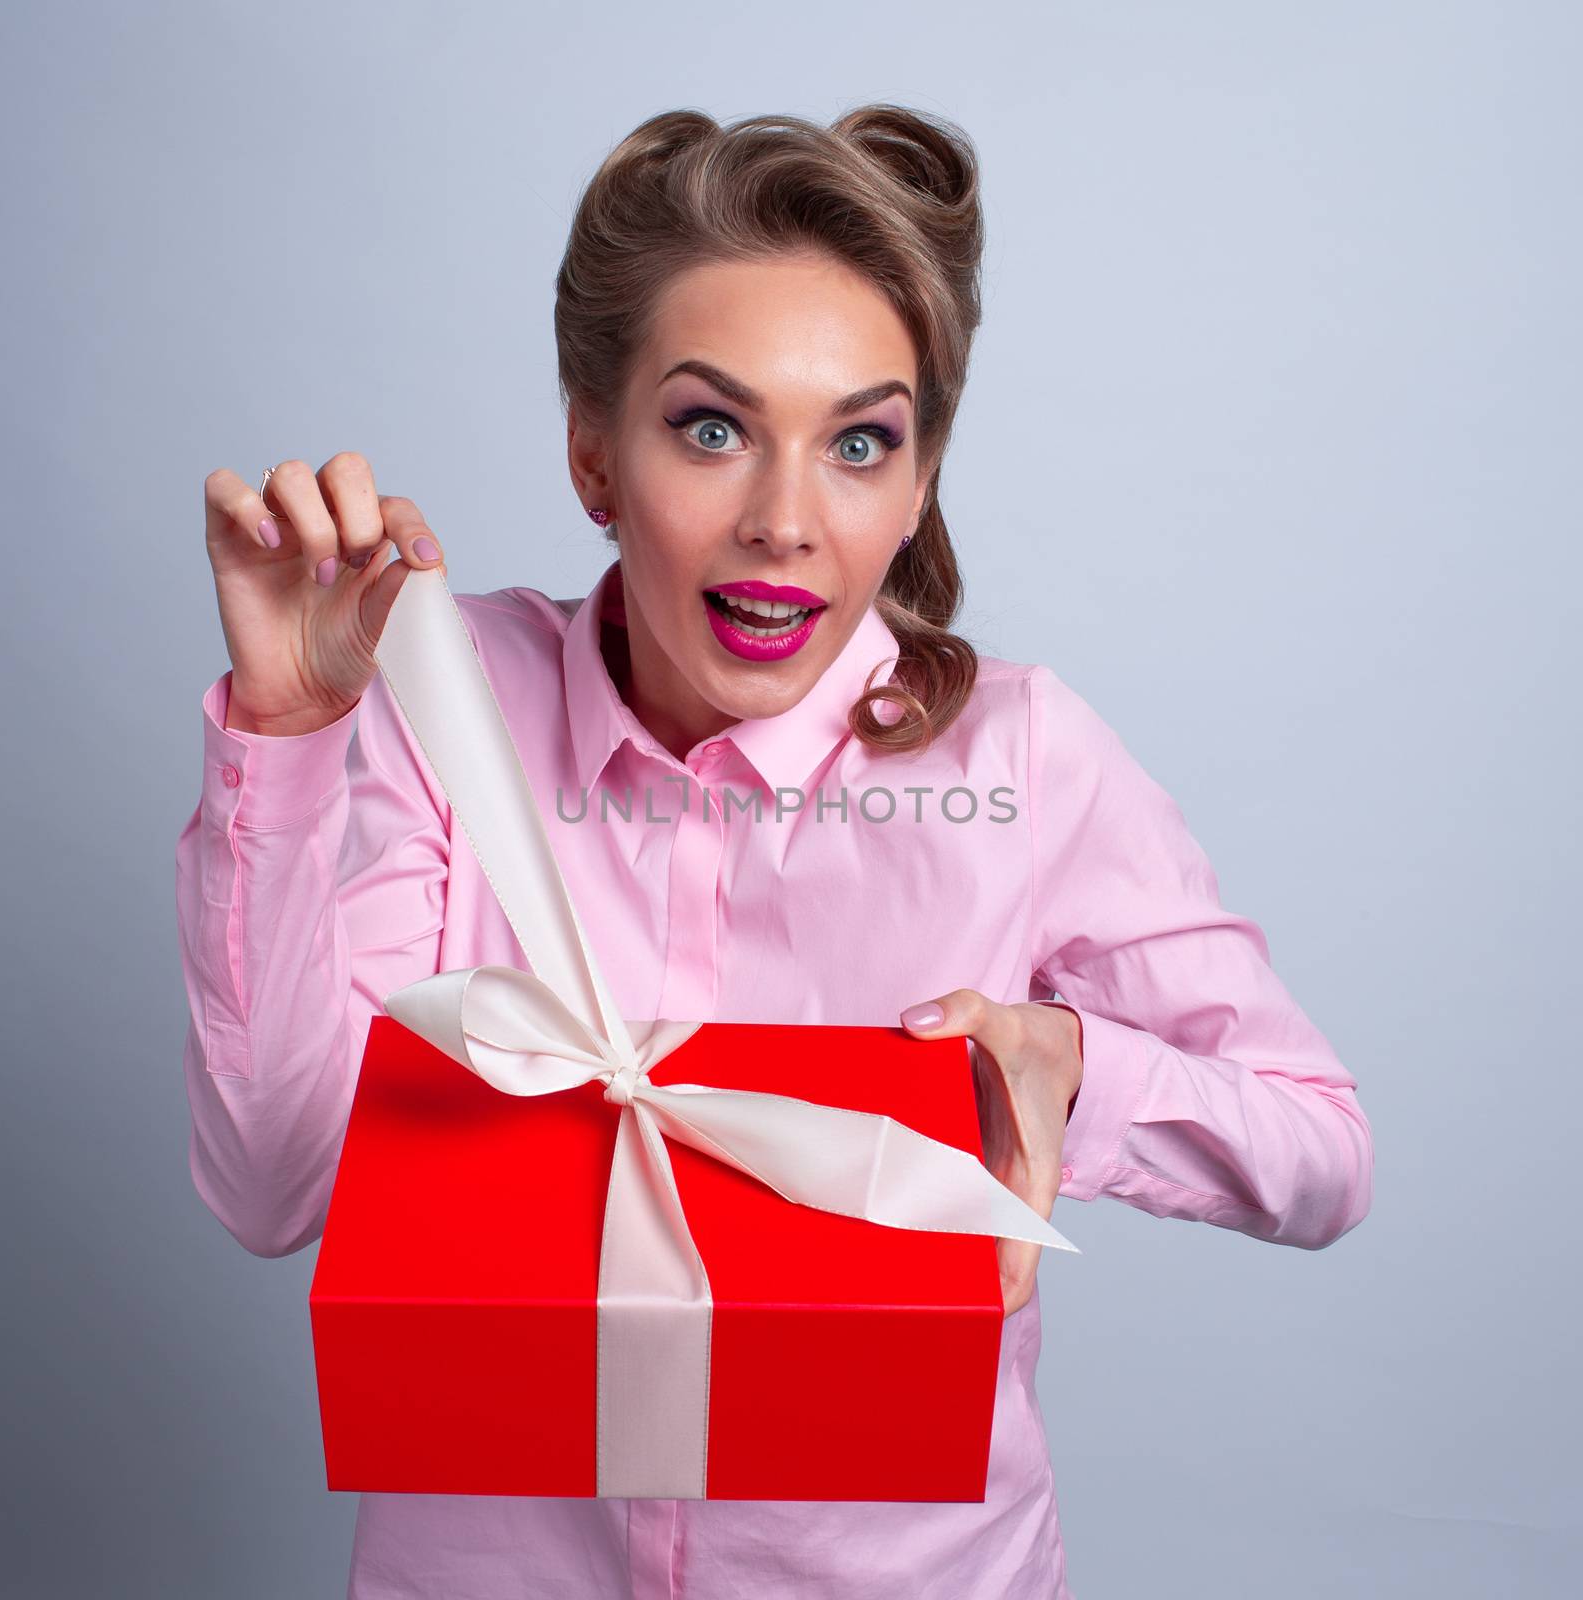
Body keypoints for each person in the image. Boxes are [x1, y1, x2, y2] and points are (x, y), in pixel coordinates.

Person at [175, 104, 1373, 1600]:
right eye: (712, 427)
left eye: (859, 443)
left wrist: (1078, 1066)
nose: (786, 521)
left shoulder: (1021, 760)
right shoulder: (441, 701)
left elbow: (1325, 1156)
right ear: (593, 453)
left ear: (918, 481)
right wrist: (285, 735)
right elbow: (278, 1185)